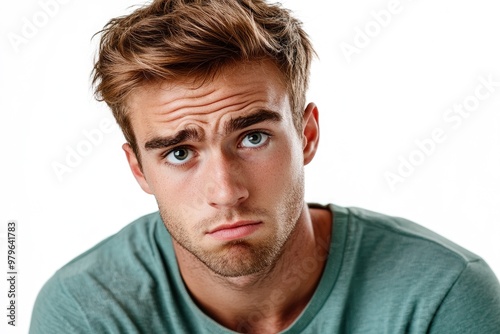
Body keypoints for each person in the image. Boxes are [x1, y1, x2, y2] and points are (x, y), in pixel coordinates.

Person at [29, 0, 500, 333]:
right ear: (138, 169)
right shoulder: (87, 312)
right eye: (179, 152)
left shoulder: (441, 295)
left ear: (307, 135)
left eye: (253, 138)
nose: (226, 191)